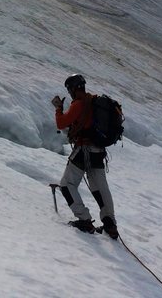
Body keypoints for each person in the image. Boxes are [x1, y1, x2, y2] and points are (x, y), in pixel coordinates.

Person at [52, 73, 119, 239]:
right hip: (99, 151)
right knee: (100, 188)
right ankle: (110, 224)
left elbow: (61, 124)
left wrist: (58, 109)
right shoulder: (93, 101)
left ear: (73, 89)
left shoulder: (79, 104)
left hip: (84, 150)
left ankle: (84, 220)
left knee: (67, 185)